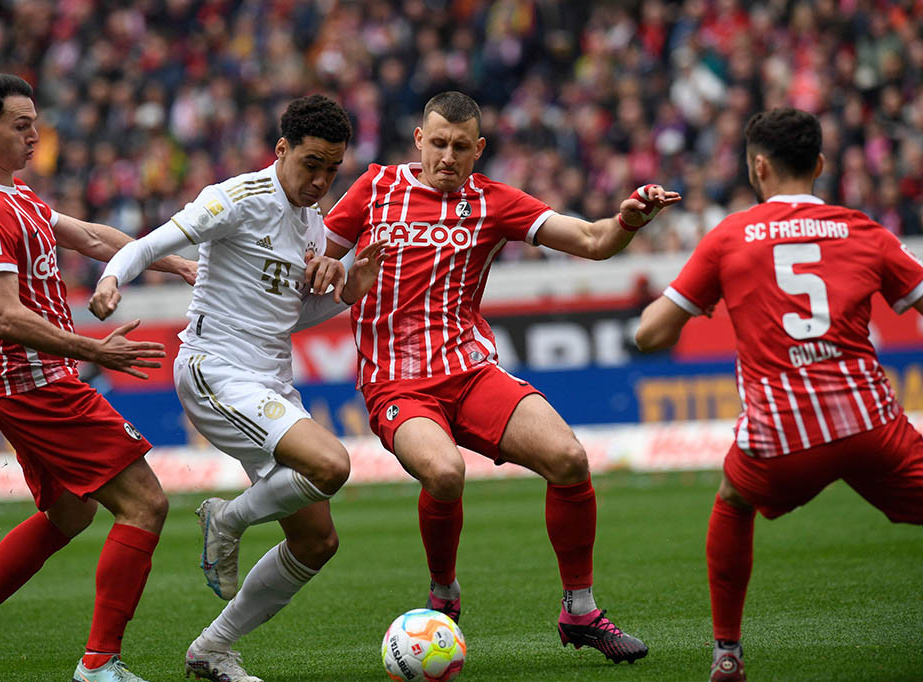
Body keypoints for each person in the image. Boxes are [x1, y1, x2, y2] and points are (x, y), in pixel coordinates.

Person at [322, 91, 680, 664]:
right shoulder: (374, 188)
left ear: (479, 149)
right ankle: (444, 593)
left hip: (471, 372)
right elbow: (315, 259)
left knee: (569, 458)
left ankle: (580, 609)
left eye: (461, 147)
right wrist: (331, 274)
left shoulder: (493, 202)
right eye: (439, 143)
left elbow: (592, 241)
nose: (448, 157)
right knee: (445, 472)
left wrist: (627, 220)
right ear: (419, 140)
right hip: (397, 382)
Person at [89, 94, 385, 682]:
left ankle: (212, 648)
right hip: (215, 369)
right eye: (311, 164)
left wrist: (350, 292)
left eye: (332, 170)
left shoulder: (313, 223)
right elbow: (151, 243)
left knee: (316, 542)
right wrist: (110, 278)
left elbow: (288, 316)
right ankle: (226, 520)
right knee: (332, 463)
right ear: (281, 149)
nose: (320, 181)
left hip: (270, 380)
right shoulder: (237, 198)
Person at [0, 72, 196, 682]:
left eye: (35, 124)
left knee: (71, 514)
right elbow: (4, 316)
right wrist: (93, 350)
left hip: (28, 381)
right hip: (35, 382)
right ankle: (99, 665)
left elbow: (92, 236)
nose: (35, 136)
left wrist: (174, 262)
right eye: (22, 125)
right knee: (145, 503)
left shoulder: (14, 194)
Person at [634, 107, 923, 682]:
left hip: (783, 435)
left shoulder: (729, 237)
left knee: (733, 501)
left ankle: (727, 653)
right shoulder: (863, 229)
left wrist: (704, 301)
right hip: (870, 425)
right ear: (820, 164)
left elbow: (649, 335)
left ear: (758, 167)